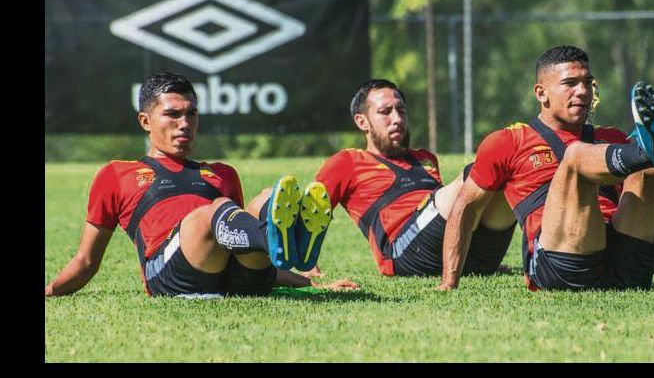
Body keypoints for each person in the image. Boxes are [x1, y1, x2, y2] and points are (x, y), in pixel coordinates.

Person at [45, 72, 357, 298]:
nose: (185, 123)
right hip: (169, 275)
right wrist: (51, 291)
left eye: (192, 113)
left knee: (264, 200)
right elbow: (86, 261)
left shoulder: (223, 173)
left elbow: (239, 241)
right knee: (216, 211)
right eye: (173, 114)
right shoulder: (117, 174)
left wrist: (310, 283)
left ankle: (285, 245)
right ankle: (284, 240)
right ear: (145, 122)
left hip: (236, 278)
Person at [438, 45, 654, 291]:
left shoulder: (612, 139)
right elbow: (465, 207)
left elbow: (639, 207)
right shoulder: (509, 141)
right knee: (577, 156)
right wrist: (449, 282)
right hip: (564, 265)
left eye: (587, 82)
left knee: (646, 171)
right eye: (570, 83)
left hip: (626, 266)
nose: (583, 91)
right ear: (541, 93)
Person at [274, 79, 519, 277]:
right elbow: (311, 214)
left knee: (506, 172)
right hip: (402, 254)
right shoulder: (346, 162)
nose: (397, 119)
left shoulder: (425, 158)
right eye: (385, 112)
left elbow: (456, 211)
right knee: (475, 173)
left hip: (463, 256)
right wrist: (308, 269)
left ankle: (541, 254)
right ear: (362, 122)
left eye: (401, 110)